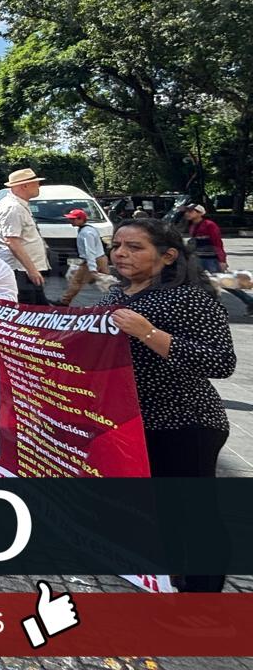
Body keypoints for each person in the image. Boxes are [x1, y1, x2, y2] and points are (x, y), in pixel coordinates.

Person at [99, 218, 237, 591]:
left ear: (168, 255)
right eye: (116, 246)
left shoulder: (190, 298)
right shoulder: (116, 295)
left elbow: (221, 362)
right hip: (137, 423)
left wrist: (148, 333)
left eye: (134, 247)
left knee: (196, 514)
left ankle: (204, 595)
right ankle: (173, 576)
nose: (121, 253)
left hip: (186, 422)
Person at [0, 168, 51, 305]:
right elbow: (12, 241)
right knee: (30, 309)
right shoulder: (13, 207)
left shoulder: (17, 205)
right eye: (35, 183)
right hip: (21, 271)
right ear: (24, 185)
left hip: (24, 270)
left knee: (37, 307)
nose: (38, 186)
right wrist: (32, 270)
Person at [183, 204, 253, 315]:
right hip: (198, 258)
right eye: (187, 211)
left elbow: (217, 243)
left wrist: (222, 260)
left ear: (200, 213)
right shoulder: (192, 226)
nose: (187, 214)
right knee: (192, 281)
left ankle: (249, 301)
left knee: (224, 283)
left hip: (211, 259)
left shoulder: (210, 225)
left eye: (191, 211)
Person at [58, 208, 109, 306]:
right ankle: (116, 299)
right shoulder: (89, 229)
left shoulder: (86, 233)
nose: (71, 221)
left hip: (94, 259)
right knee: (107, 282)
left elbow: (90, 251)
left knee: (77, 281)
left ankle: (64, 302)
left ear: (81, 219)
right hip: (100, 258)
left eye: (73, 219)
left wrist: (92, 267)